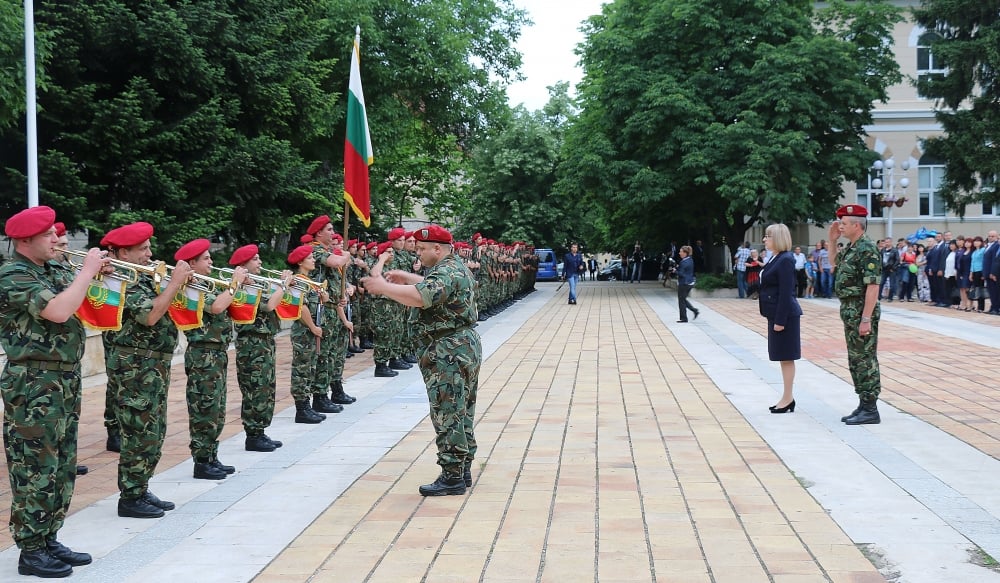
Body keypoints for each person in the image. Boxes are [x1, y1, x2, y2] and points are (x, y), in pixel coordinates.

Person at [0, 206, 109, 577]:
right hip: (32, 383)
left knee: (62, 465)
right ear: (25, 240)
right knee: (35, 466)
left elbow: (87, 302)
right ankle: (30, 550)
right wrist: (88, 272)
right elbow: (59, 311)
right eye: (48, 235)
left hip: (62, 378)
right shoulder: (13, 274)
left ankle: (48, 537)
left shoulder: (52, 269)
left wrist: (97, 279)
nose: (57, 240)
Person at [362, 225, 480, 496]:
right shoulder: (452, 267)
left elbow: (421, 296)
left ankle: (452, 477)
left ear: (437, 249)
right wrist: (406, 276)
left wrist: (383, 287)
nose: (418, 253)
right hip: (458, 345)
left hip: (448, 350)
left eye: (422, 249)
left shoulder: (447, 271)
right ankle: (461, 468)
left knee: (447, 411)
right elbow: (431, 287)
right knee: (461, 409)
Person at [102, 222, 192, 519]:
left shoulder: (143, 275)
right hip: (134, 366)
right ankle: (129, 496)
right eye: (143, 249)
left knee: (153, 431)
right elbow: (150, 316)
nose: (149, 254)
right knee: (138, 432)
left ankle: (139, 487)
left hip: (152, 365)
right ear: (123, 253)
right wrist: (174, 283)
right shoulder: (117, 279)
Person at [176, 238, 247, 480]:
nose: (211, 261)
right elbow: (217, 307)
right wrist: (235, 284)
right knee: (204, 407)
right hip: (202, 354)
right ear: (192, 263)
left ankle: (211, 455)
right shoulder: (191, 287)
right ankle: (202, 461)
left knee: (216, 409)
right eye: (205, 258)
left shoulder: (207, 284)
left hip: (216, 353)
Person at [230, 244, 291, 452]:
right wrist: (283, 285)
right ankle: (253, 434)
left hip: (264, 341)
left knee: (266, 387)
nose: (260, 262)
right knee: (255, 388)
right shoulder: (243, 285)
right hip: (252, 343)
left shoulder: (256, 283)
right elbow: (269, 305)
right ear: (243, 264)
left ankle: (260, 431)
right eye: (255, 259)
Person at [827, 205, 883, 425]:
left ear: (856, 225)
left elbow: (873, 287)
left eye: (844, 223)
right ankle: (863, 402)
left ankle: (870, 407)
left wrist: (866, 318)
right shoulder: (852, 247)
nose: (840, 226)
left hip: (861, 310)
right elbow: (832, 263)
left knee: (865, 358)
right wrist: (832, 241)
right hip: (850, 309)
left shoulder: (867, 248)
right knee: (855, 358)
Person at [759, 224, 802, 414]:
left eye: (768, 236)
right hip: (776, 314)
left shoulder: (785, 259)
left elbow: (786, 292)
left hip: (784, 316)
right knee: (782, 357)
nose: (764, 239)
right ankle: (787, 397)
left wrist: (780, 320)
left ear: (778, 238)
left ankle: (787, 398)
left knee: (786, 356)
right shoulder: (776, 258)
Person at [287, 245, 329, 423]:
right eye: (310, 258)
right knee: (302, 369)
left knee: (311, 367)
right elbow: (301, 306)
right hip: (303, 331)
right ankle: (301, 408)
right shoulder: (297, 281)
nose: (313, 260)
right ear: (300, 262)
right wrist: (312, 327)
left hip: (311, 330)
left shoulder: (309, 281)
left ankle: (308, 405)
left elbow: (323, 299)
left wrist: (323, 295)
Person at [675, 245, 699, 323]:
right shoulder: (690, 260)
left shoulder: (684, 262)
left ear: (685, 253)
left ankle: (684, 318)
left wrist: (675, 271)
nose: (679, 253)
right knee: (683, 299)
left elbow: (681, 274)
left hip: (684, 283)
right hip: (690, 282)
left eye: (681, 252)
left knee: (681, 300)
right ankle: (694, 311)